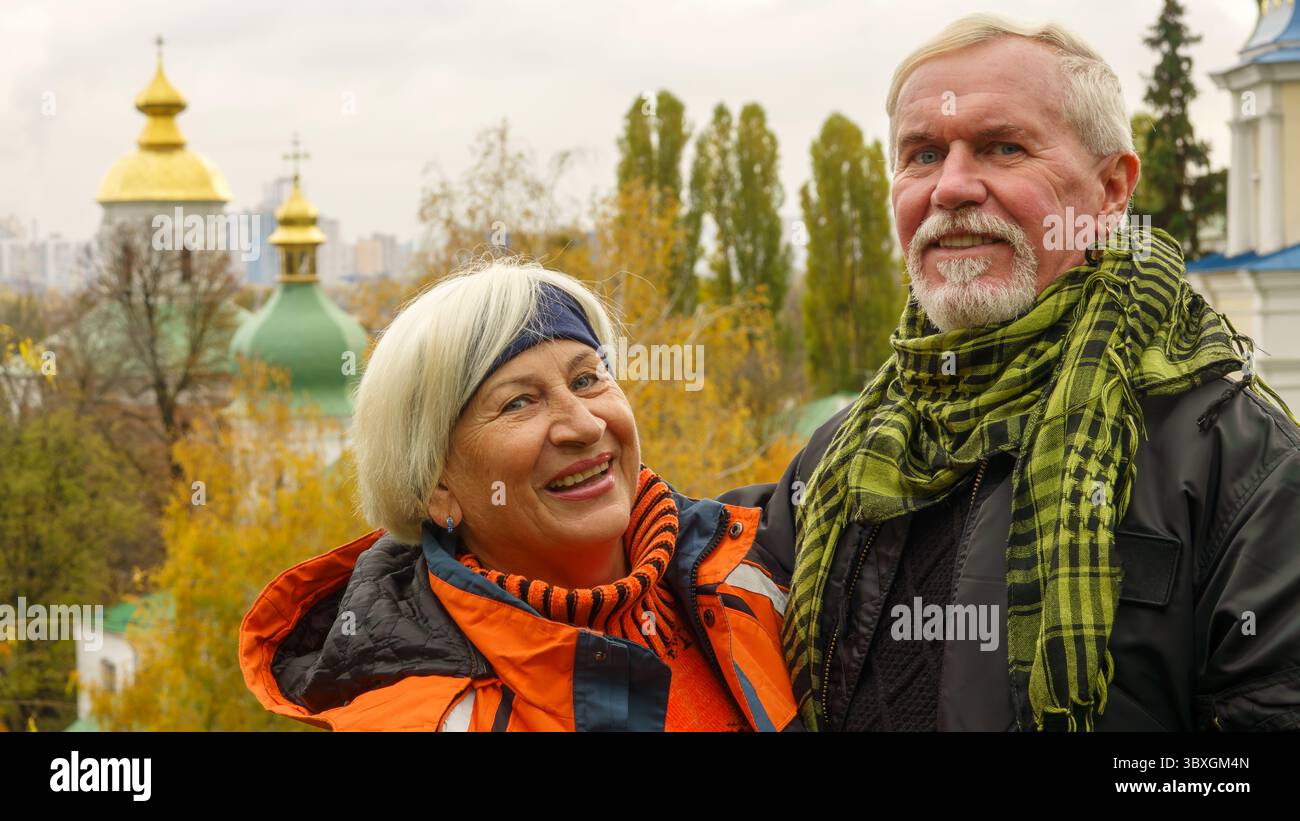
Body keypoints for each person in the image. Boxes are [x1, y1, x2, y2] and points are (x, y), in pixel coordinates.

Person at [724, 13, 1300, 731]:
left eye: (1003, 148)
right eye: (924, 155)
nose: (952, 188)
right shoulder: (840, 456)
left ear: (1112, 188)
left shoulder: (1239, 464)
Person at [240, 258, 799, 731]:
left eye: (586, 379)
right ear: (435, 486)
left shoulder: (759, 566)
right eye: (518, 403)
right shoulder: (433, 718)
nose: (581, 424)